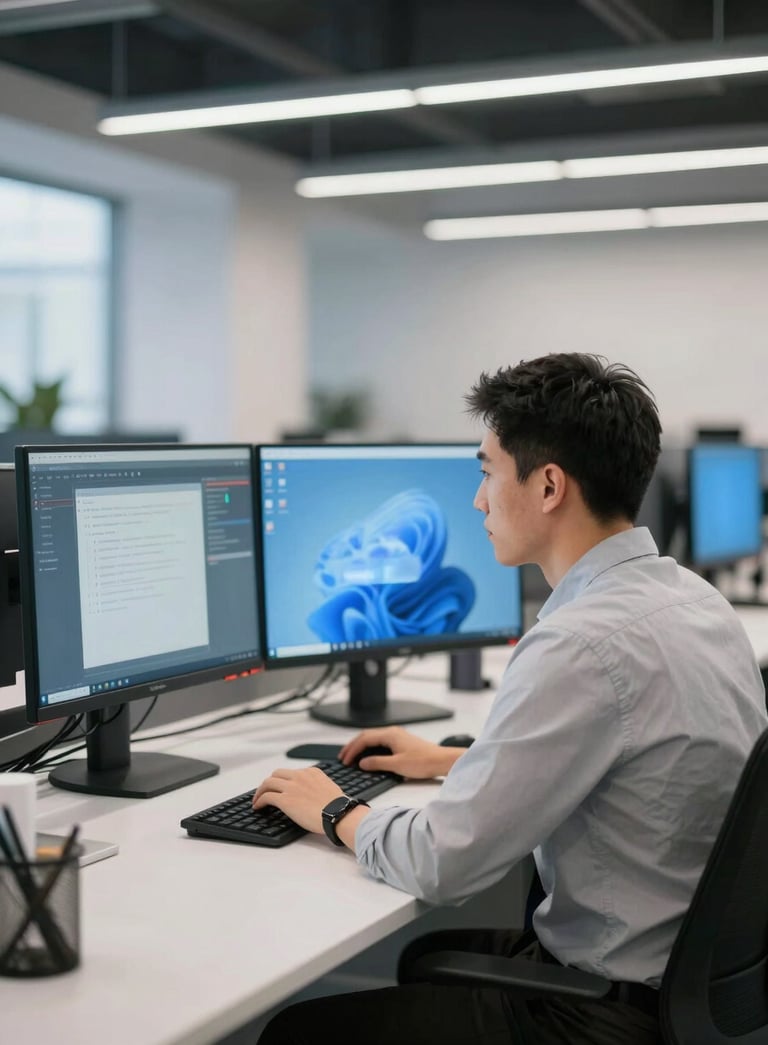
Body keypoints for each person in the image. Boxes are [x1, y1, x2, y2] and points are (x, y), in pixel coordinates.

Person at [253, 353, 767, 1045]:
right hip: (693, 986)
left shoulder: (581, 643)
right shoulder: (695, 601)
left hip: (604, 1015)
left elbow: (442, 864)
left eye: (487, 471)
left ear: (549, 485)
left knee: (297, 1032)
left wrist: (335, 808)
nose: (478, 500)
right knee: (427, 960)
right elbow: (637, 755)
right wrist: (452, 760)